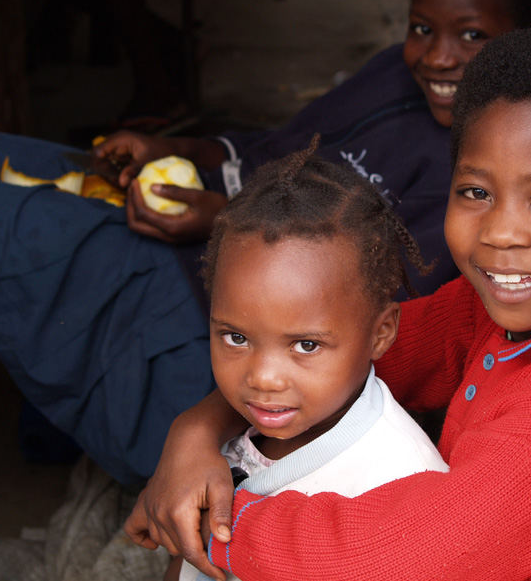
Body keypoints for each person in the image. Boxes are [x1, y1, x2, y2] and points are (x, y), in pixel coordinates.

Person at [125, 23, 531, 580]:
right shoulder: (497, 307)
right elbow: (332, 356)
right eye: (476, 192)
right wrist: (194, 433)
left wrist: (209, 519)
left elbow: (391, 558)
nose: (502, 233)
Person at [0, 0, 531, 484]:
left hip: (199, 306)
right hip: (203, 261)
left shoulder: (482, 171)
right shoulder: (394, 78)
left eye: (472, 36)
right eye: (422, 28)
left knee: (16, 225)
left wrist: (226, 227)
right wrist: (174, 147)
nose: (437, 57)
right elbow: (274, 150)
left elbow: (348, 304)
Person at [166, 137, 448, 581]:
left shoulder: (401, 479)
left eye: (306, 346)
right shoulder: (235, 425)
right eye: (236, 337)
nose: (262, 377)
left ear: (382, 333)